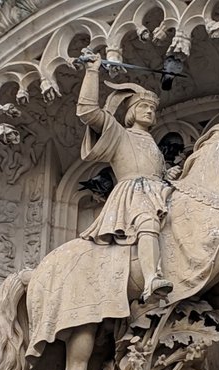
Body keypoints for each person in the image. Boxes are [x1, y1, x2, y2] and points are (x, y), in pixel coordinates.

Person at [76, 51, 179, 302]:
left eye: (153, 109)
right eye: (143, 107)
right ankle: (151, 279)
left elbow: (156, 170)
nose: (149, 112)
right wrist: (92, 72)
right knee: (146, 221)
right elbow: (88, 112)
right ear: (131, 112)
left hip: (158, 190)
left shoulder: (152, 143)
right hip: (133, 192)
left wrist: (170, 174)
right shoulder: (120, 134)